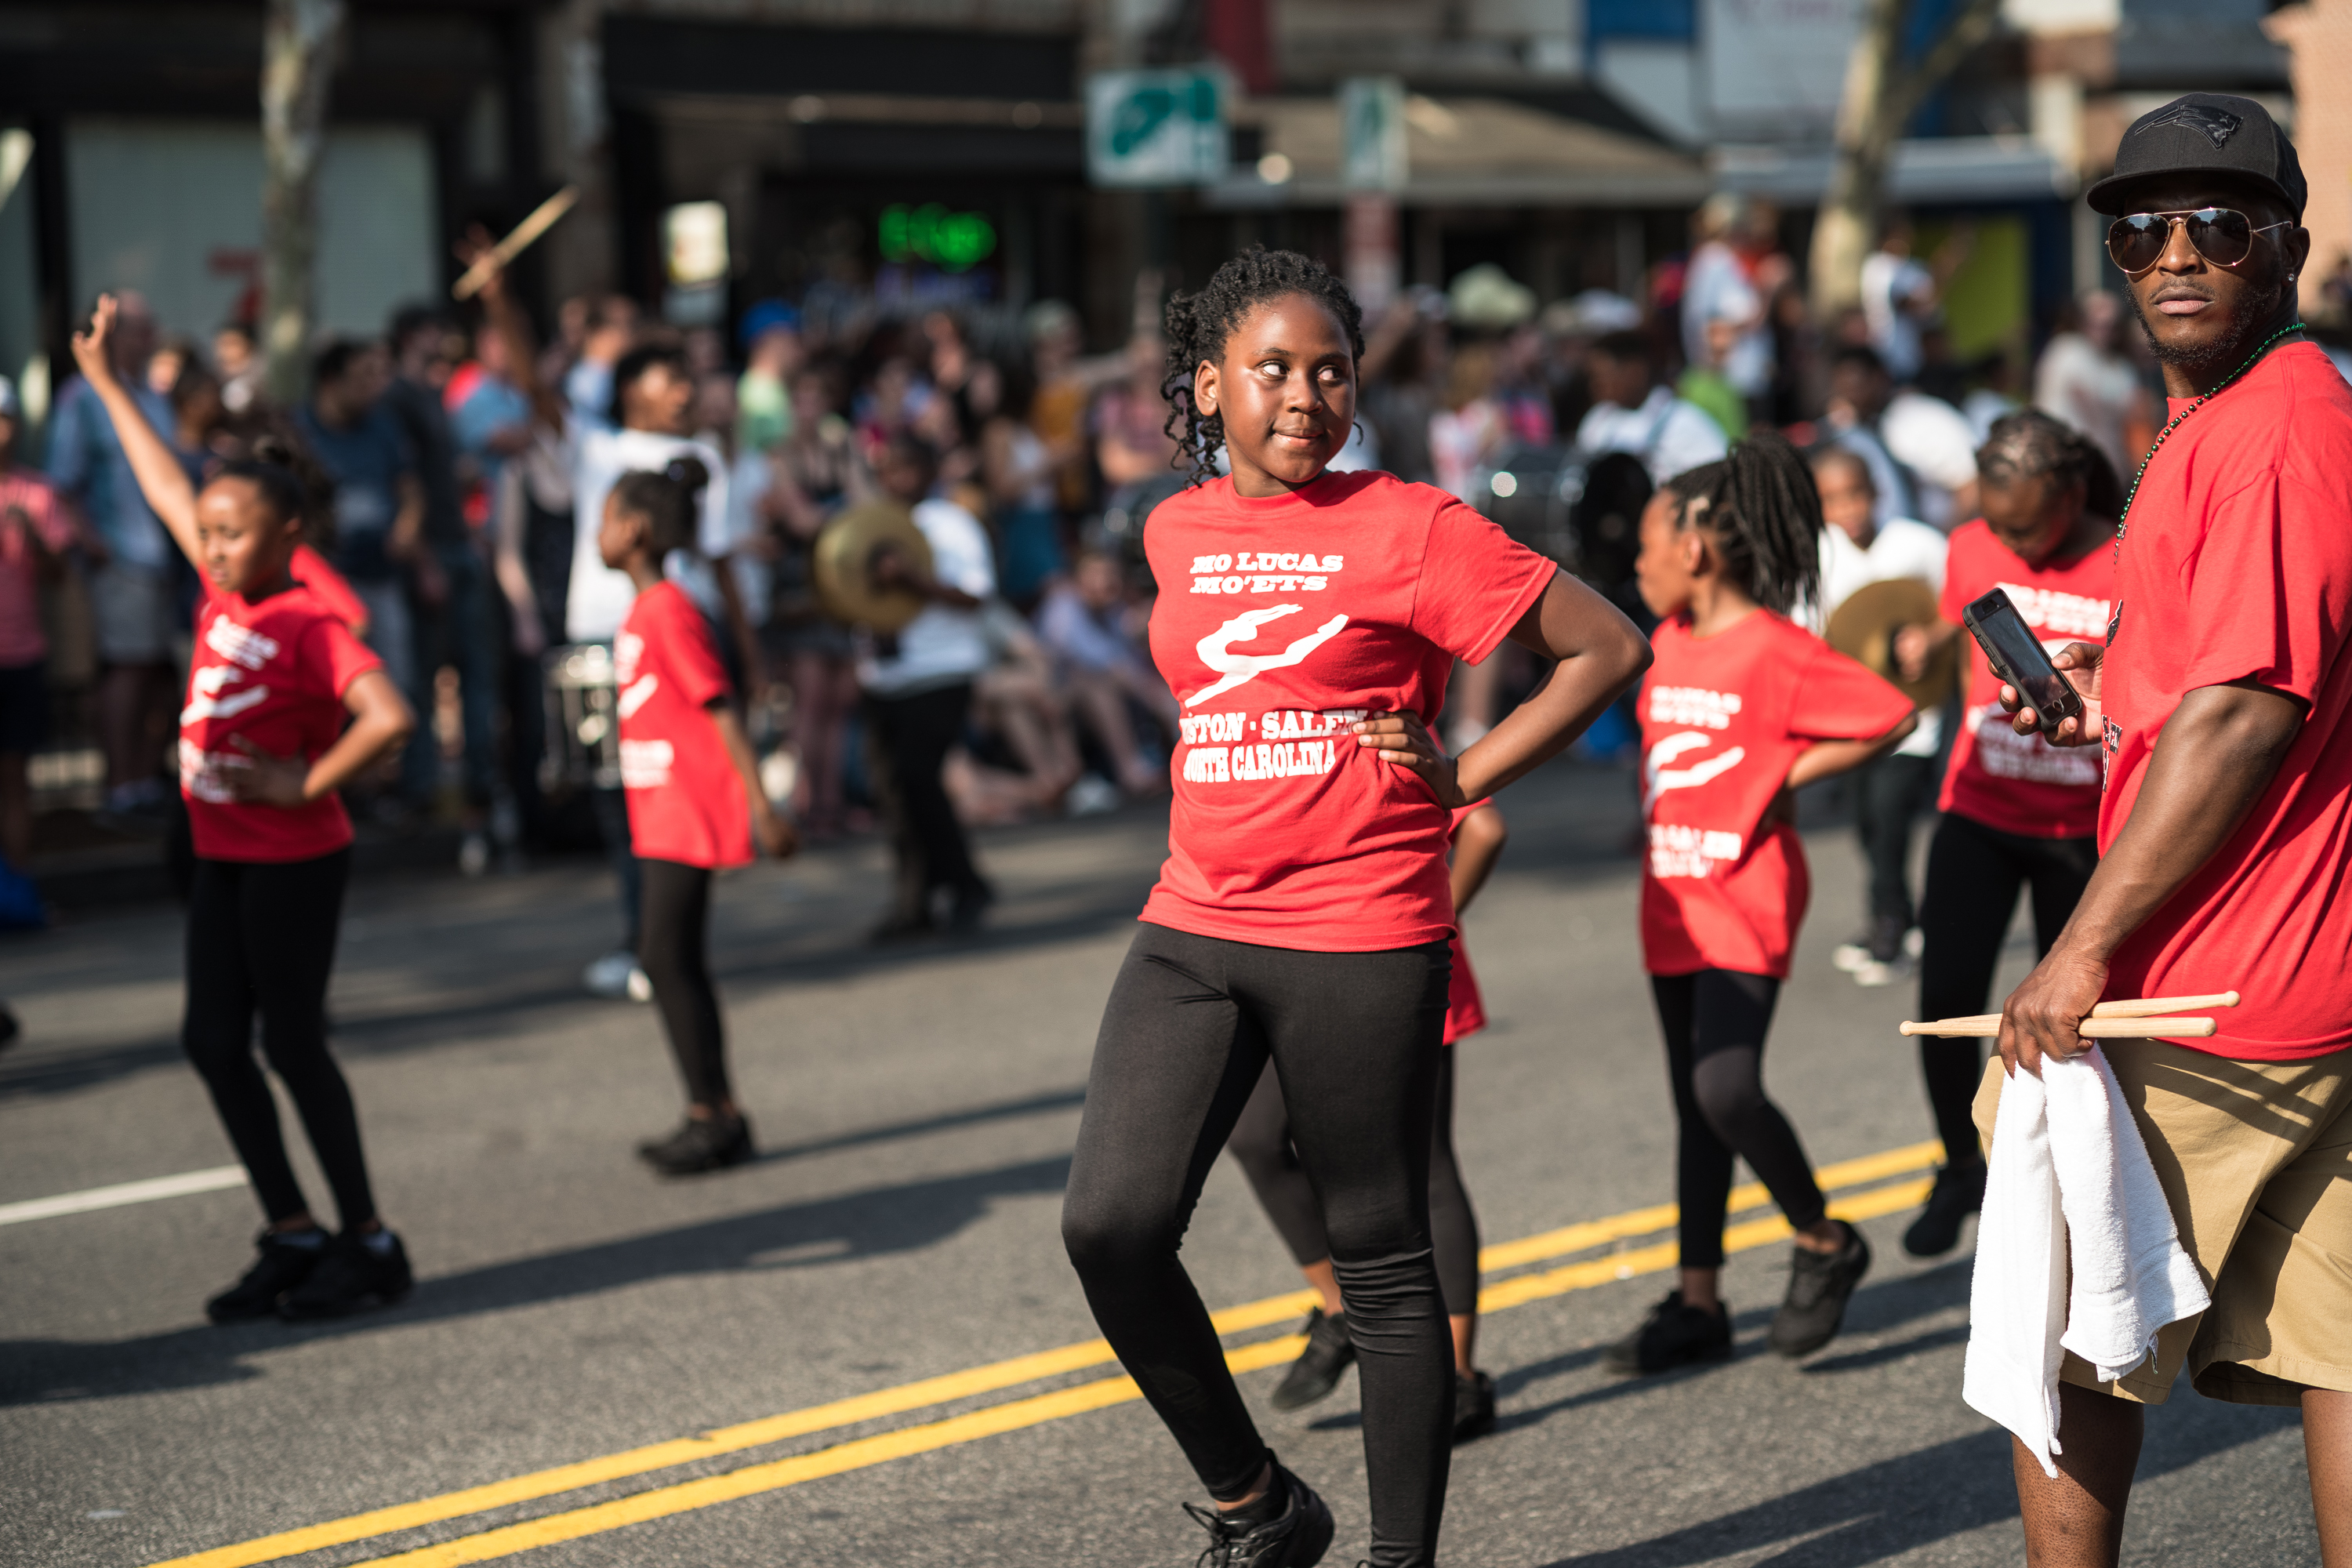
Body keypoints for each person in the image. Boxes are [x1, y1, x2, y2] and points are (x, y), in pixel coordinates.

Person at [1058, 247, 1650, 1568]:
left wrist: (1465, 774)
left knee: (1381, 1259)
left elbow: (1607, 647)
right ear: (1210, 386)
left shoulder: (1413, 527)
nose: (1307, 396)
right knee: (1111, 1225)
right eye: (1272, 369)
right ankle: (1257, 1504)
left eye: (1332, 370)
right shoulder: (1174, 527)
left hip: (1362, 923)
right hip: (1197, 914)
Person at [1983, 94, 2352, 1566]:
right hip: (2312, 969)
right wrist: (2113, 683)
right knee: (2338, 1349)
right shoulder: (2251, 418)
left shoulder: (2271, 431)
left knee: (2063, 1336)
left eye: (2223, 224)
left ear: (2291, 248)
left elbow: (2250, 710)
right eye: (2142, 228)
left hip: (2204, 984)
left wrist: (2078, 955)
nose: (2178, 254)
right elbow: (2222, 675)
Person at [71, 296, 419, 1320]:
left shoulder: (311, 618)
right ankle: (291, 1231)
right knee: (214, 1044)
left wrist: (307, 780)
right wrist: (101, 383)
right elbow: (166, 483)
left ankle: (369, 1240)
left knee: (293, 1044)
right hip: (220, 847)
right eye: (209, 536)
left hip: (294, 856)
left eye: (234, 535)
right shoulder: (227, 589)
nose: (213, 549)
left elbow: (388, 713)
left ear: (290, 537)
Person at [1606, 431, 1918, 1377]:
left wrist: (1783, 770)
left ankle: (1824, 1238)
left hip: (1745, 899)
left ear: (1694, 551)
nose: (1637, 559)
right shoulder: (1664, 641)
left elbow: (1889, 713)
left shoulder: (1777, 650)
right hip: (1670, 900)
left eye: (1650, 541)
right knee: (1692, 1104)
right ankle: (1699, 1299)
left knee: (1725, 1087)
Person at [1875, 410, 2118, 1258]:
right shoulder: (1972, 543)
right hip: (1978, 808)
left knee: (2073, 1028)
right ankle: (1956, 1165)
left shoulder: (2128, 553)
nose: (2011, 540)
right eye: (1999, 521)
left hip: (2082, 830)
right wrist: (1926, 640)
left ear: (2074, 491)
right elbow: (1958, 618)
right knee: (1945, 997)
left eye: (2030, 525)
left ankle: (2067, 1186)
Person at [1226, 800, 1510, 1446]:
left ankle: (1460, 1380)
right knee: (1255, 1137)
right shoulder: (1282, 726)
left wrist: (1441, 915)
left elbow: (1485, 826)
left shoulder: (1381, 719)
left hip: (1397, 955)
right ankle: (1341, 1307)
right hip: (1297, 965)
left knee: (1428, 1169)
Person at [598, 459, 794, 1174]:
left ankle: (713, 1115)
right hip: (660, 805)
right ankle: (715, 1111)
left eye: (606, 517)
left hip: (687, 806)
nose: (599, 531)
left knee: (666, 957)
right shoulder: (646, 607)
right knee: (672, 958)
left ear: (636, 530)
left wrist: (761, 805)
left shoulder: (667, 608)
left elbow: (719, 706)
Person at [566, 342, 733, 999]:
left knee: (667, 784)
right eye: (672, 378)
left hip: (669, 645)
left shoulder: (668, 609)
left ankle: (664, 945)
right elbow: (536, 392)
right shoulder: (597, 447)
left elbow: (719, 564)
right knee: (624, 792)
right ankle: (654, 941)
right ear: (633, 387)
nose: (686, 392)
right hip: (603, 640)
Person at [1806, 446, 1947, 988]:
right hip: (1851, 720)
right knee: (1866, 822)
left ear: (1875, 491)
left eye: (1856, 493)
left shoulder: (1918, 545)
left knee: (1889, 821)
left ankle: (1888, 930)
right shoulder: (1818, 557)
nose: (1848, 508)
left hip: (1917, 714)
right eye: (1833, 499)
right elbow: (1807, 634)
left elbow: (1961, 604)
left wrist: (1929, 640)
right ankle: (1902, 918)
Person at [47, 289, 180, 818]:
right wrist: (95, 543)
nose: (151, 338)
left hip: (163, 559)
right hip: (120, 560)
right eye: (139, 328)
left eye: (152, 326)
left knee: (159, 675)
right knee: (128, 669)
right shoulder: (81, 398)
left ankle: (145, 778)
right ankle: (121, 785)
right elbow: (63, 482)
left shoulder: (156, 397)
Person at [859, 433, 996, 942]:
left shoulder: (951, 524)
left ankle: (960, 884)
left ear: (928, 471)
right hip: (883, 675)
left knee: (918, 779)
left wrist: (913, 579)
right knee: (894, 794)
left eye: (906, 468)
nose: (896, 479)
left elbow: (976, 597)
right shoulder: (868, 524)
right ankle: (917, 897)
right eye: (887, 469)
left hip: (942, 670)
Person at [384, 306, 498, 862]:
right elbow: (407, 485)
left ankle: (479, 782)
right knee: (427, 675)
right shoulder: (400, 399)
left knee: (473, 673)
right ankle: (423, 786)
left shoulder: (435, 396)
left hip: (457, 545)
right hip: (433, 551)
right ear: (411, 337)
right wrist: (425, 558)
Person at [293, 338, 429, 786]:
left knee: (391, 683)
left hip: (380, 578)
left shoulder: (384, 426)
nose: (376, 388)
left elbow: (411, 489)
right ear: (331, 382)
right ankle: (335, 782)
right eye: (363, 377)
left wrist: (407, 528)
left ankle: (380, 789)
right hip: (323, 589)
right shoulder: (299, 431)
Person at [0, 376, 86, 873]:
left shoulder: (36, 491)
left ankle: (15, 892)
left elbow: (59, 574)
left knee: (16, 777)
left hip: (22, 655)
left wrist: (29, 536)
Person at [1034, 550, 1175, 797]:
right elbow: (1097, 658)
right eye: (1097, 574)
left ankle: (1173, 759)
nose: (1106, 581)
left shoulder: (1111, 608)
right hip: (1049, 696)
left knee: (1132, 681)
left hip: (1090, 691)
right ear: (1077, 579)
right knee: (1099, 685)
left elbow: (1129, 657)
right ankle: (1129, 768)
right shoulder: (1062, 607)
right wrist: (1154, 696)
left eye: (1111, 575)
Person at [1573, 331, 1730, 489]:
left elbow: (1721, 481)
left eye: (1602, 376)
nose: (1595, 385)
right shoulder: (1596, 421)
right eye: (1592, 377)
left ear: (1635, 371)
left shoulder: (1685, 423)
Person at [2033, 289, 2145, 476]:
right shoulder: (2066, 349)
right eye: (2097, 321)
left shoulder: (2122, 368)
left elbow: (2136, 413)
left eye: (2111, 324)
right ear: (2082, 321)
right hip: (2060, 460)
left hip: (2104, 466)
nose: (2104, 329)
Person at [1859, 219, 1940, 385]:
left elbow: (1929, 311)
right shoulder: (1876, 266)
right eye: (1898, 235)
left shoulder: (1914, 268)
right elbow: (1906, 304)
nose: (1903, 241)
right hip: (1883, 356)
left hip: (1913, 360)